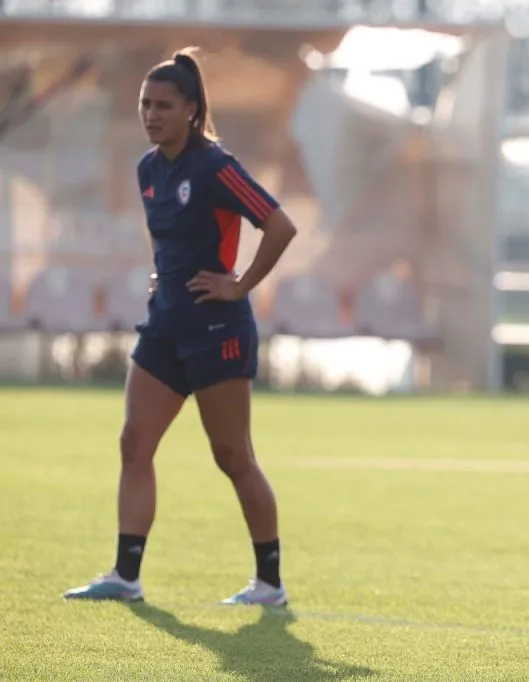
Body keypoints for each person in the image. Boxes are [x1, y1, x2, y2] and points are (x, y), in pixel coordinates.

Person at [63, 48, 298, 606]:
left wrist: (238, 285)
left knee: (232, 456)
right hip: (165, 326)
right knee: (134, 442)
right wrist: (162, 276)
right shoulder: (148, 169)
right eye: (145, 104)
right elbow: (174, 239)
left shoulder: (215, 167)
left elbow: (280, 225)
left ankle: (270, 584)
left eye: (163, 105)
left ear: (192, 111)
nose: (151, 114)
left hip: (218, 330)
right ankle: (126, 576)